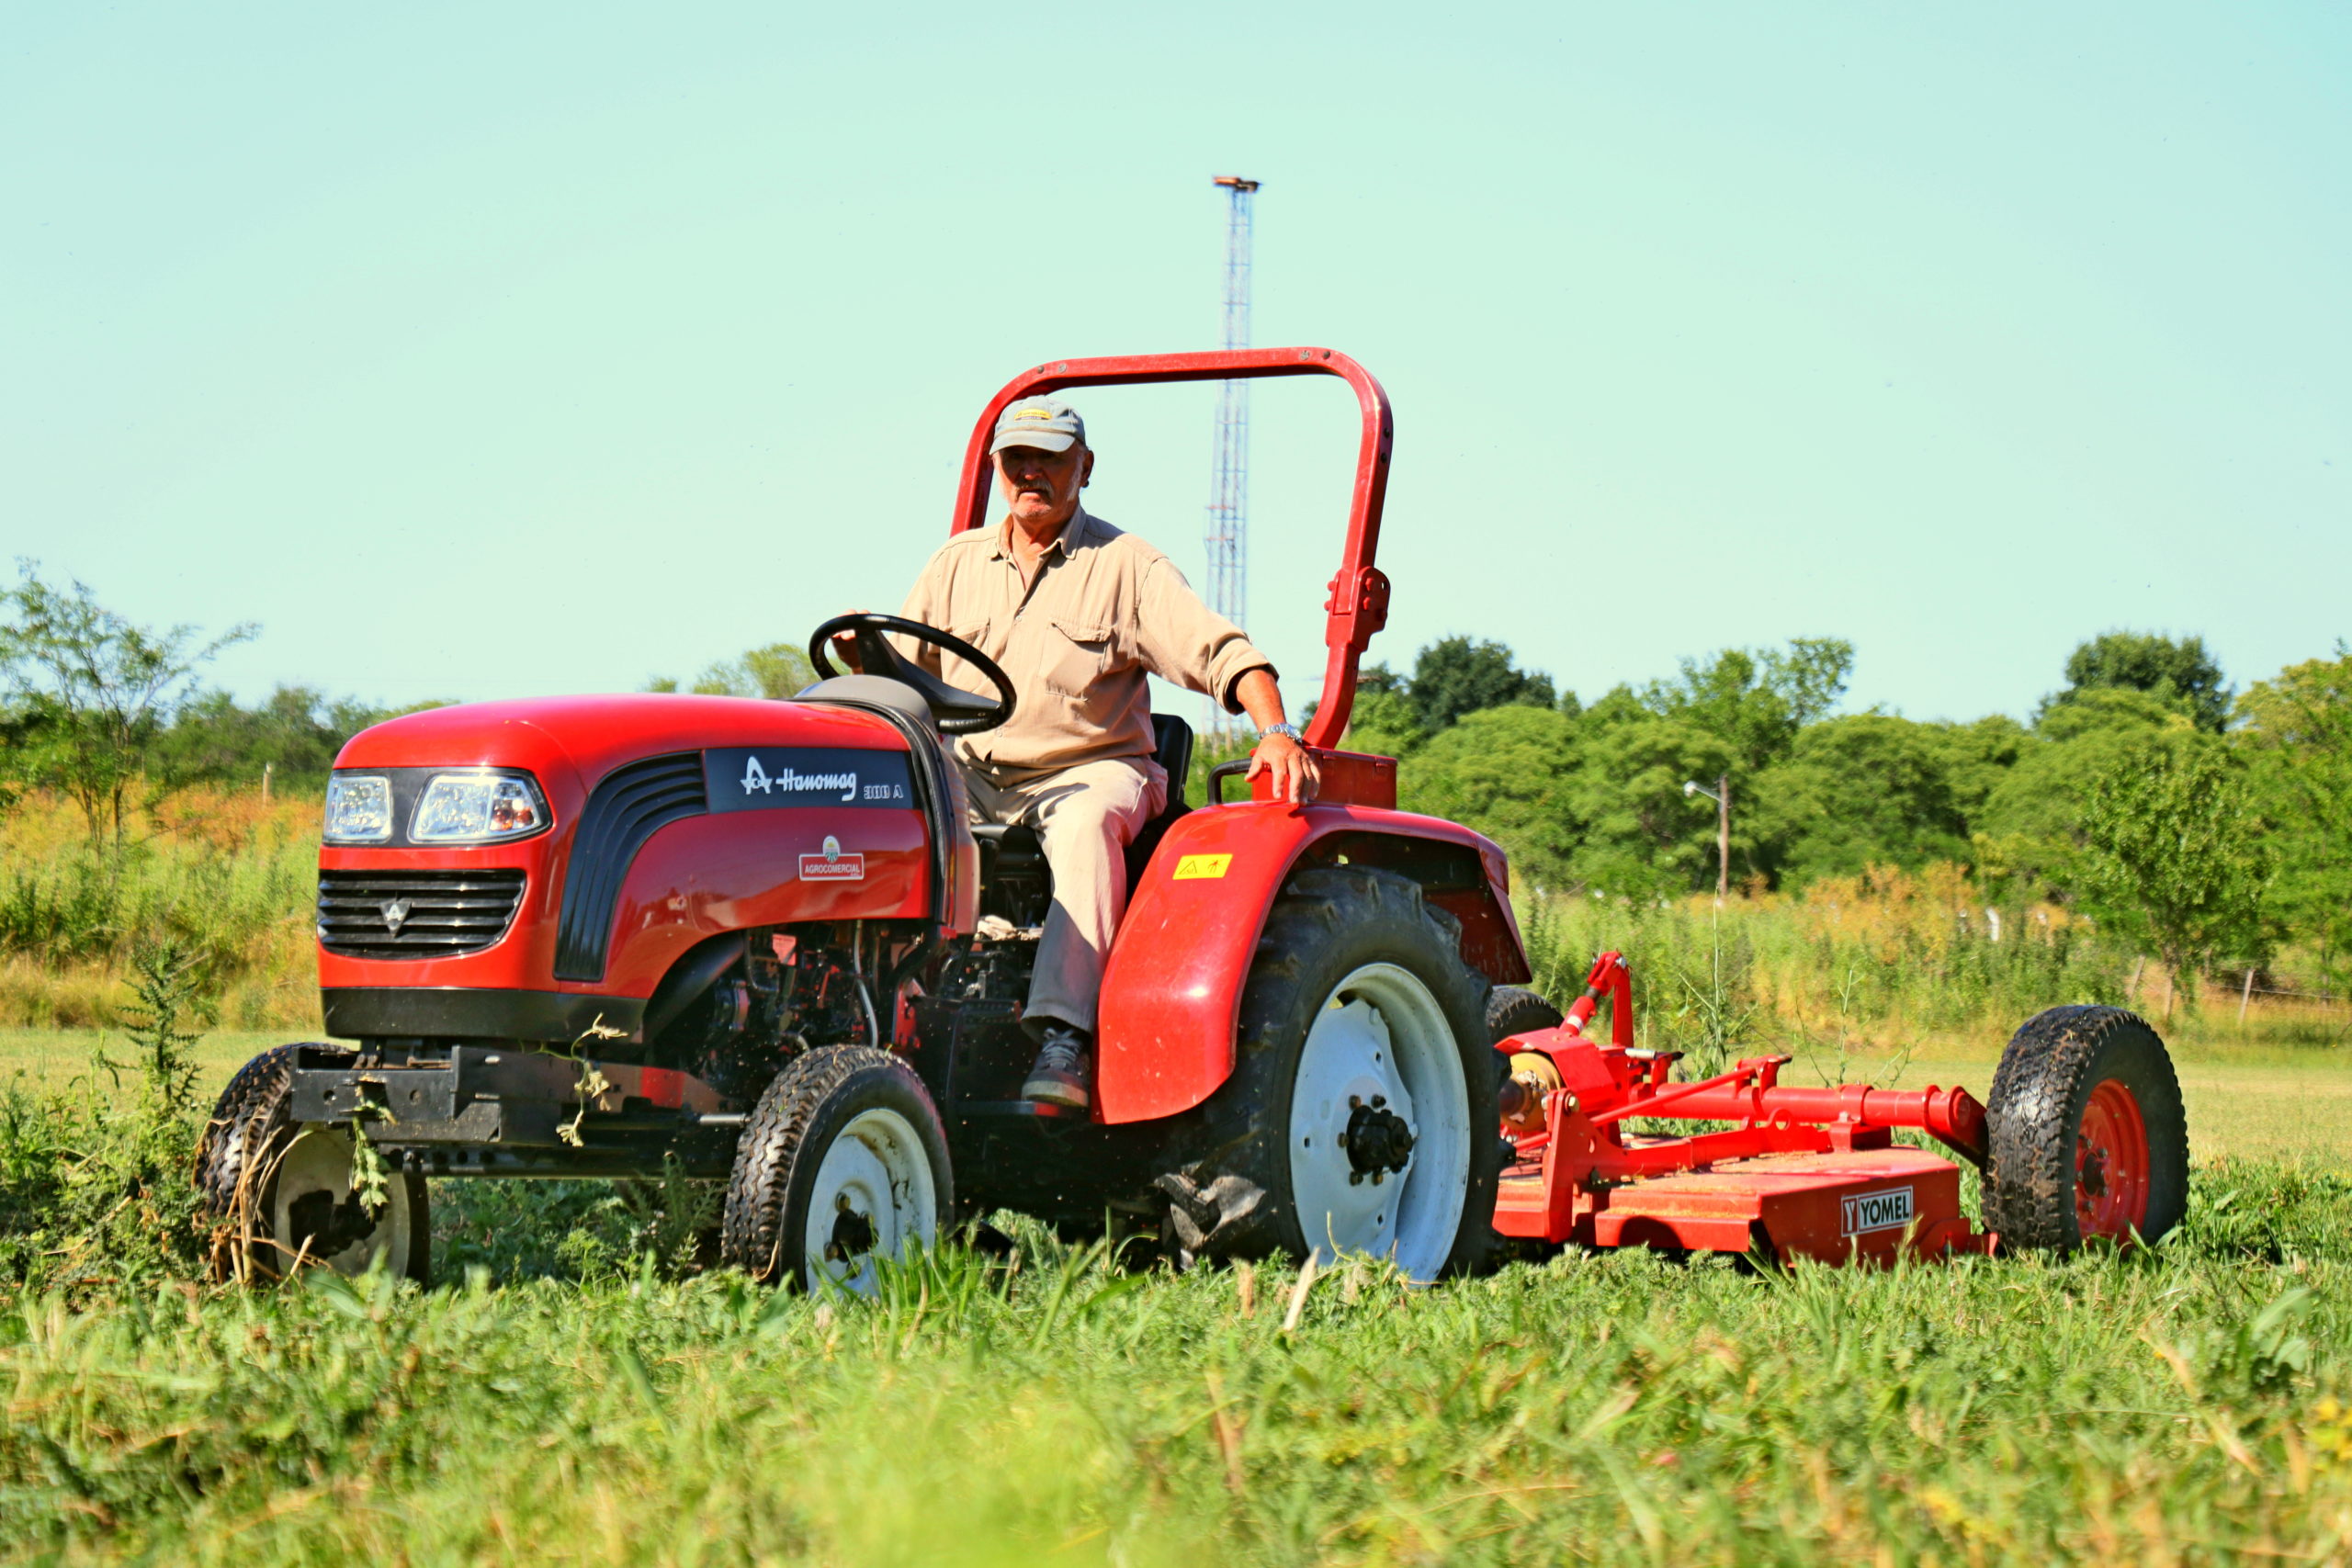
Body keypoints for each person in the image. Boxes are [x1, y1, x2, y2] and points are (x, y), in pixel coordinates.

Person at [866, 396, 1318, 1110]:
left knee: (1083, 822)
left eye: (1048, 458)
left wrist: (1276, 729)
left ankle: (1063, 1035)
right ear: (996, 471)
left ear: (1085, 467)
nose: (1031, 473)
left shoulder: (1125, 565)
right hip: (975, 776)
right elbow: (893, 673)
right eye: (1016, 459)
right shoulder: (954, 566)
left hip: (1093, 768)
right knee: (874, 805)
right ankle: (875, 1014)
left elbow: (1221, 650)